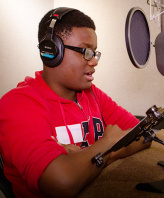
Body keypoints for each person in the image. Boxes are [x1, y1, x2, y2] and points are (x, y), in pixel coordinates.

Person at [0, 7, 151, 198]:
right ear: (52, 50)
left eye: (95, 53)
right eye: (86, 51)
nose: (94, 61)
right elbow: (62, 183)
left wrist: (95, 155)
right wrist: (110, 141)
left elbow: (142, 135)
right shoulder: (18, 104)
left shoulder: (92, 94)